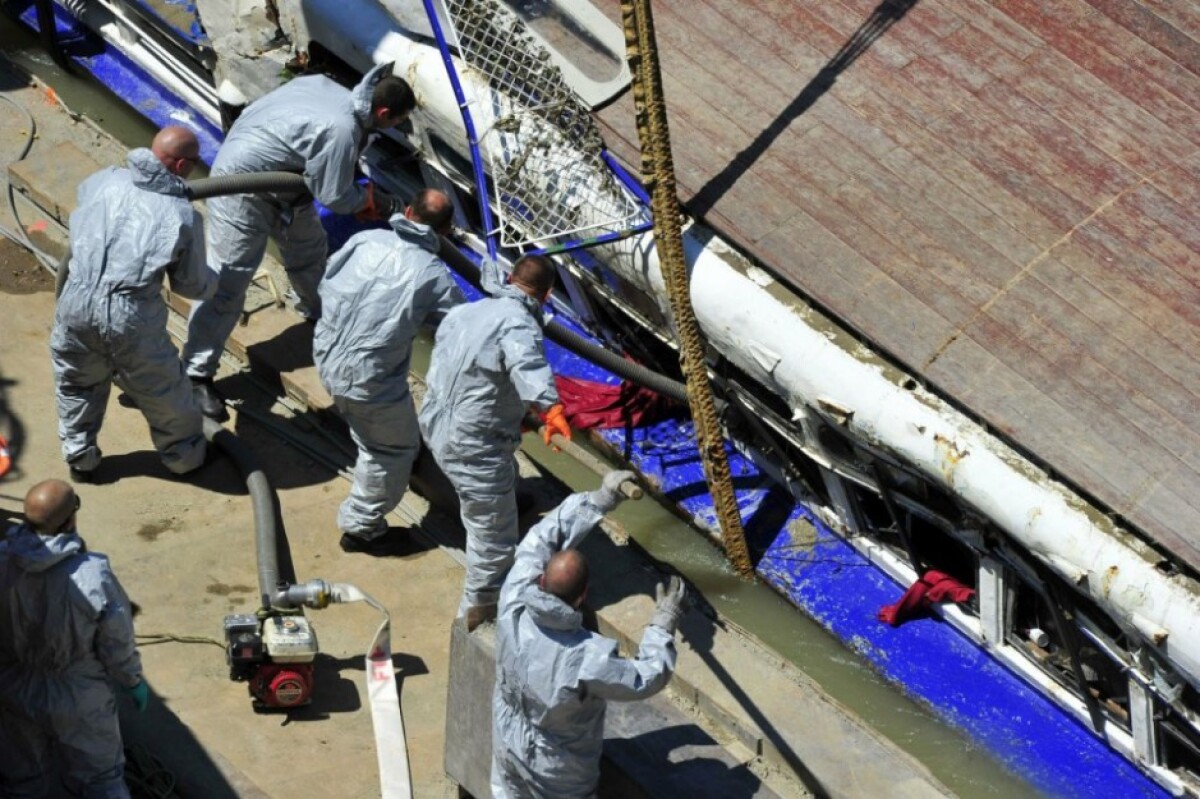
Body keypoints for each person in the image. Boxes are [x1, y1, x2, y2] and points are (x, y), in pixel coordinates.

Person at [183, 61, 416, 421]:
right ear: (383, 112)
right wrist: (371, 201)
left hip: (289, 188)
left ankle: (320, 313)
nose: (395, 128)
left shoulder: (323, 81)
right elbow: (337, 197)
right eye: (397, 121)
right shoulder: (339, 129)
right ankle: (195, 374)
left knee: (309, 253)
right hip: (243, 187)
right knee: (229, 282)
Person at [490, 470, 685, 799]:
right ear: (583, 596)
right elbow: (646, 677)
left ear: (541, 582)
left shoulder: (514, 595)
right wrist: (662, 625)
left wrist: (599, 500)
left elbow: (541, 539)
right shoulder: (584, 657)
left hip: (506, 736)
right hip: (557, 767)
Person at [52, 126, 216, 483]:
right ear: (181, 166)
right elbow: (191, 285)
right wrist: (217, 278)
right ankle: (184, 458)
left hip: (75, 301)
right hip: (129, 315)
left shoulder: (104, 180)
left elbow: (86, 216)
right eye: (193, 164)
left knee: (77, 382)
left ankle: (80, 457)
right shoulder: (183, 215)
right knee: (163, 390)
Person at [418, 254, 572, 628]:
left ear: (510, 278)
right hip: (473, 448)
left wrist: (515, 415)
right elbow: (525, 363)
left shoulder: (467, 312)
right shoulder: (520, 324)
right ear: (547, 295)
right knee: (493, 542)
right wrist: (549, 409)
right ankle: (476, 617)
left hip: (436, 425)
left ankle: (495, 503)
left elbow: (470, 371)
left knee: (492, 491)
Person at [313, 188, 465, 552]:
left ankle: (401, 447)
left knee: (382, 427)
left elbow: (326, 282)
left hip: (326, 354)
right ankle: (362, 528)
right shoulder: (433, 276)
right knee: (388, 450)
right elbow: (464, 328)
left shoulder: (365, 239)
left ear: (408, 210)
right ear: (445, 231)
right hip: (367, 381)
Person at [0, 479, 147, 798]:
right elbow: (116, 641)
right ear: (71, 519)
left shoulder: (3, 561)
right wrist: (132, 680)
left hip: (14, 687)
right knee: (101, 779)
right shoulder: (93, 575)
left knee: (23, 779)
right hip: (78, 694)